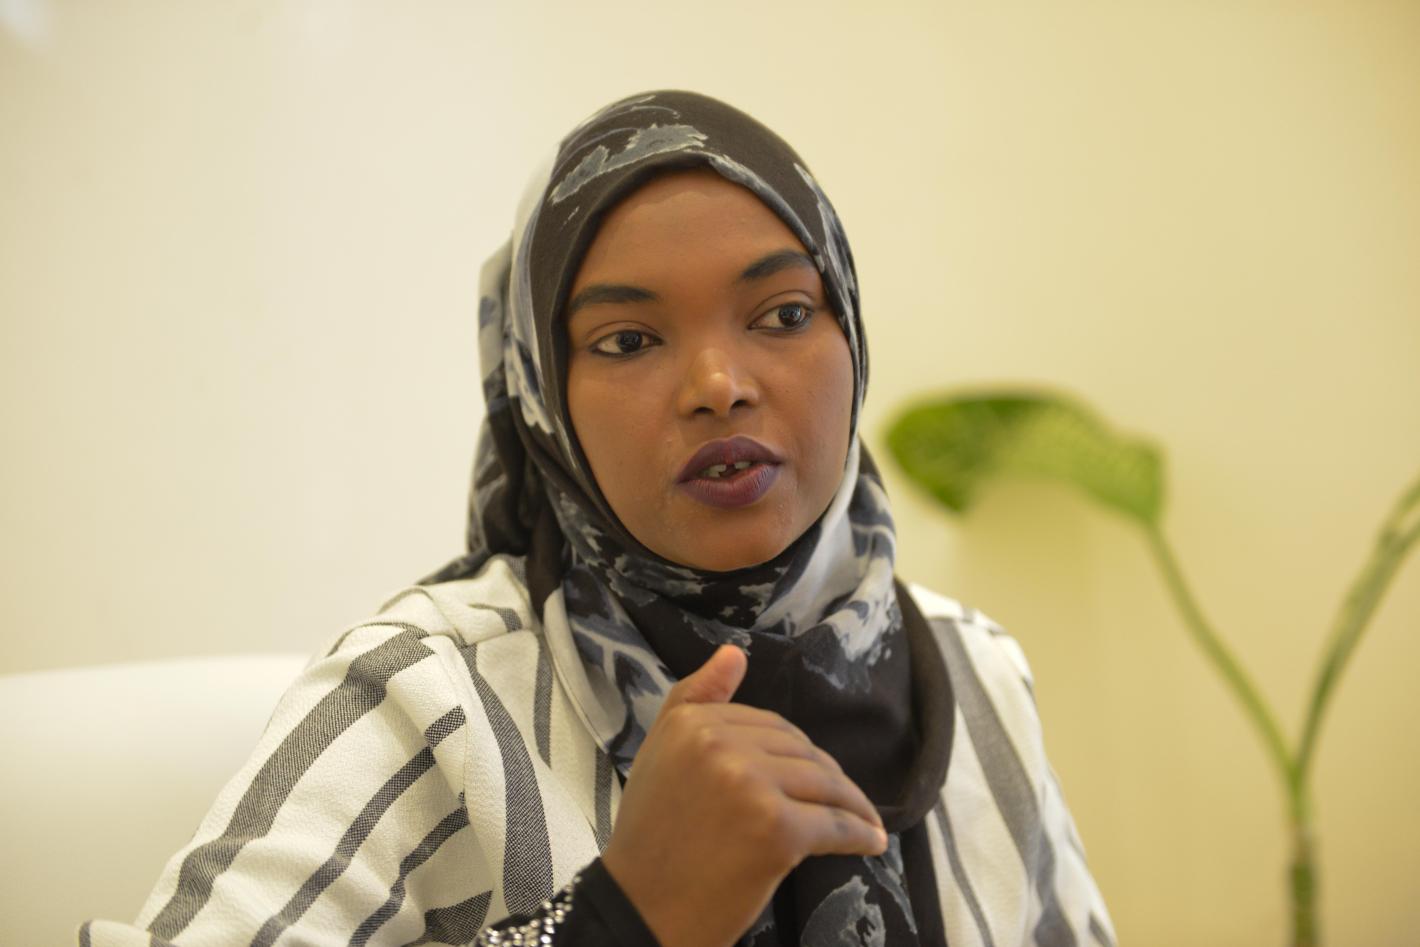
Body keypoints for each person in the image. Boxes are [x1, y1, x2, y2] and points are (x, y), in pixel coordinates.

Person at [80, 90, 1115, 947]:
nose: (717, 384)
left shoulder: (973, 671)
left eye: (784, 314)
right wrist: (619, 917)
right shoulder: (424, 698)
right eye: (627, 340)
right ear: (544, 400)